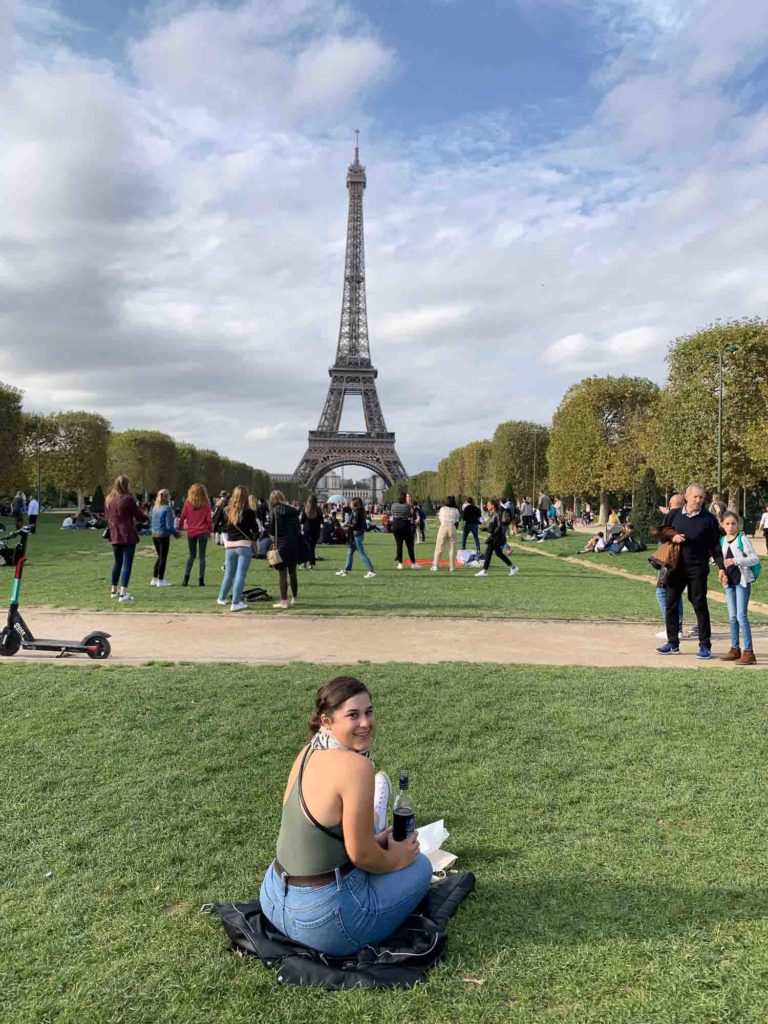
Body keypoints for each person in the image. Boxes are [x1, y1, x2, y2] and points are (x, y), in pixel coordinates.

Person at [259, 676, 432, 956]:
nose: (365, 723)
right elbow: (362, 857)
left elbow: (319, 833)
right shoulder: (356, 767)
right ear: (327, 722)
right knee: (421, 866)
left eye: (369, 712)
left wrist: (374, 841)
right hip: (321, 923)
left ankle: (375, 812)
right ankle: (378, 809)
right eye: (353, 715)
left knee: (373, 847)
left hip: (272, 898)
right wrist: (400, 857)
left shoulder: (306, 752)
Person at [657, 483, 726, 659]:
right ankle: (672, 643)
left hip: (698, 568)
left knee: (699, 604)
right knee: (671, 603)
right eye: (695, 497)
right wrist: (671, 535)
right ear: (687, 497)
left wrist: (721, 567)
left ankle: (705, 645)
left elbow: (715, 546)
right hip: (676, 567)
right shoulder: (674, 515)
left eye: (701, 498)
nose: (698, 500)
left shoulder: (709, 519)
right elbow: (658, 532)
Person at [719, 511, 759, 665]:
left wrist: (737, 561)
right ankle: (735, 649)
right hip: (729, 583)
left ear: (738, 524)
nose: (730, 526)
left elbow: (754, 558)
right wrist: (721, 571)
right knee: (732, 617)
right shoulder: (722, 540)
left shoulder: (742, 539)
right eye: (727, 523)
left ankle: (749, 652)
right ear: (722, 525)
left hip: (742, 582)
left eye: (733, 523)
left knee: (741, 616)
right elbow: (720, 561)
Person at [214, 485, 259, 612]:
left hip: (230, 546)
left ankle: (221, 598)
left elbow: (219, 526)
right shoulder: (249, 512)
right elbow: (255, 530)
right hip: (244, 546)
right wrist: (254, 539)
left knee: (228, 574)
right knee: (240, 575)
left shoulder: (227, 511)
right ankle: (236, 602)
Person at [105, 475, 144, 602]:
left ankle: (113, 590)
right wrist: (145, 518)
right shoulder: (128, 499)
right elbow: (138, 515)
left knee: (117, 562)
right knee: (127, 563)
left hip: (114, 533)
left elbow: (107, 516)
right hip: (127, 534)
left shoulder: (109, 499)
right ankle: (123, 593)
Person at [268, 489, 304, 609]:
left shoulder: (274, 511)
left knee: (282, 574)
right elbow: (298, 527)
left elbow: (272, 529)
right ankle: (294, 598)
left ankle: (284, 601)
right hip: (294, 543)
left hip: (282, 543)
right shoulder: (293, 510)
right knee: (293, 572)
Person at [475, 498, 519, 577]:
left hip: (496, 536)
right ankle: (513, 567)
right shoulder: (493, 513)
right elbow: (492, 526)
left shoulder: (496, 514)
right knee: (499, 553)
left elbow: (498, 526)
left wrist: (487, 529)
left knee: (488, 552)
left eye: (488, 505)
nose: (487, 506)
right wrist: (485, 528)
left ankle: (484, 570)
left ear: (492, 506)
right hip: (497, 535)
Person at [179, 483, 213, 587]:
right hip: (203, 532)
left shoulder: (188, 503)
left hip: (192, 532)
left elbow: (182, 517)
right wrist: (210, 531)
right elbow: (208, 520)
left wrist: (180, 527)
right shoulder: (206, 504)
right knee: (202, 557)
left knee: (191, 556)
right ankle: (201, 580)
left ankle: (186, 578)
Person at [336, 497, 376, 579]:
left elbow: (354, 525)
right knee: (349, 553)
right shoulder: (359, 511)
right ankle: (346, 570)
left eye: (351, 503)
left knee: (362, 554)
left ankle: (371, 570)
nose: (350, 504)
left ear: (355, 504)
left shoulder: (357, 512)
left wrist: (346, 525)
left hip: (356, 535)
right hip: (357, 535)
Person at [150, 489, 179, 587]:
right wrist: (176, 534)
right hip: (163, 536)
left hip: (154, 534)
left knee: (159, 556)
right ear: (167, 497)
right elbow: (169, 526)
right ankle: (161, 580)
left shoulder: (155, 508)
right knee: (163, 558)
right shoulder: (167, 508)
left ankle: (154, 578)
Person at [389, 492, 419, 569]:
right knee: (409, 545)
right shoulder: (407, 506)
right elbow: (411, 513)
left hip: (396, 525)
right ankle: (413, 563)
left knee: (399, 545)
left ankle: (400, 563)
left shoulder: (393, 505)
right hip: (405, 525)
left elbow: (392, 513)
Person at [431, 495, 459, 572]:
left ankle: (435, 565)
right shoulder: (456, 510)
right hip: (452, 527)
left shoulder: (442, 509)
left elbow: (440, 518)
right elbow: (457, 520)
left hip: (443, 526)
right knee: (452, 547)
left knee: (439, 546)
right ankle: (452, 566)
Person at [300, 495, 322, 569]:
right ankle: (311, 563)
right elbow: (322, 521)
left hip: (307, 530)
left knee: (307, 547)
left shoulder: (305, 509)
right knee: (312, 547)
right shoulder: (319, 510)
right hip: (316, 531)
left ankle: (306, 562)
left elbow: (302, 521)